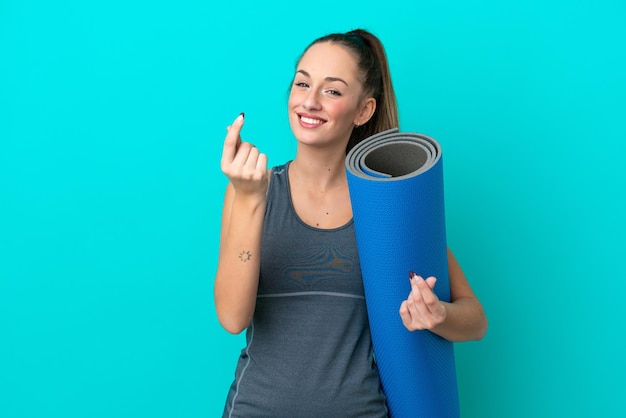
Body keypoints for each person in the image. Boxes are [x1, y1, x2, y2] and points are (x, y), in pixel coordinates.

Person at [215, 28, 488, 417]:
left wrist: (438, 315)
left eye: (332, 90)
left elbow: (475, 320)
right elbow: (231, 316)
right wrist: (247, 198)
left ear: (364, 110)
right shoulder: (253, 189)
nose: (309, 101)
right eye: (302, 83)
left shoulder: (387, 207)